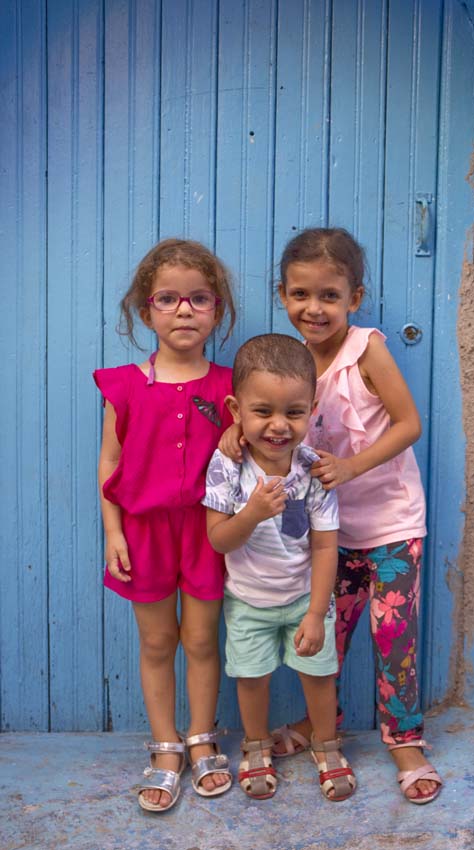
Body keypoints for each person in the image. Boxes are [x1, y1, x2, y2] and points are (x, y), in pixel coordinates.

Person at [222, 227, 442, 804]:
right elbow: (268, 415)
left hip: (391, 525)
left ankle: (404, 740)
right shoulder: (289, 360)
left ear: (354, 298)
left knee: (393, 638)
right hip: (328, 535)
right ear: (282, 295)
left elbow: (409, 424)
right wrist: (235, 431)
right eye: (300, 294)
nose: (313, 308)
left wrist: (350, 467)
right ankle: (325, 727)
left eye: (329, 295)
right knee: (322, 639)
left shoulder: (365, 350)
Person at [94, 238, 236, 812]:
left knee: (201, 640)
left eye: (199, 298)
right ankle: (166, 746)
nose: (184, 310)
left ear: (217, 311)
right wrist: (113, 532)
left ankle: (202, 737)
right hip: (143, 534)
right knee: (157, 641)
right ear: (145, 309)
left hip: (208, 532)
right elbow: (109, 462)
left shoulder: (230, 386)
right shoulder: (125, 385)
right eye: (168, 298)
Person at [203, 334, 356, 802]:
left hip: (303, 598)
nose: (278, 425)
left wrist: (316, 612)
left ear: (312, 410)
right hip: (248, 601)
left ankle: (326, 745)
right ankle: (256, 746)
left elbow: (326, 547)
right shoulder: (227, 466)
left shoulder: (314, 470)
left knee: (319, 677)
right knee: (251, 679)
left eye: (293, 412)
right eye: (262, 411)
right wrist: (251, 513)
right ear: (236, 410)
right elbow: (218, 539)